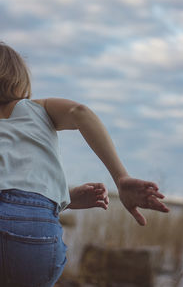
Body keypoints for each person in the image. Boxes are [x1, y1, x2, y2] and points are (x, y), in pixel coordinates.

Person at [0, 41, 169, 287]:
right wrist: (120, 178)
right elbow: (81, 112)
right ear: (19, 80)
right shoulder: (37, 109)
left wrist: (64, 199)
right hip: (36, 232)